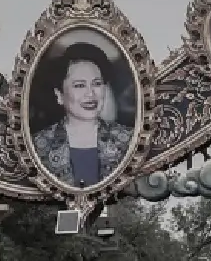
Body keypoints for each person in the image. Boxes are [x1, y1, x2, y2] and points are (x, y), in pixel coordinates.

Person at [30, 42, 133, 188]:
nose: (90, 94)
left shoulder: (128, 140)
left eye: (97, 83)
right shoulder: (38, 146)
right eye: (79, 85)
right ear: (59, 95)